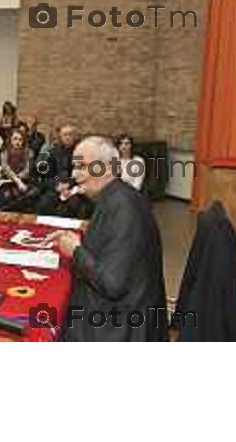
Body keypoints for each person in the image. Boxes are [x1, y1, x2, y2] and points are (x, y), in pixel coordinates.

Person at [49, 136, 168, 342]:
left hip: (118, 326)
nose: (75, 175)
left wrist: (76, 251)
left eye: (82, 166)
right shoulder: (116, 197)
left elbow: (112, 284)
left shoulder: (124, 207)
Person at [0, 129, 36, 212]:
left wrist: (20, 178)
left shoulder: (29, 152)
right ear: (10, 140)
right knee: (5, 195)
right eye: (15, 139)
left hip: (24, 179)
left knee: (30, 193)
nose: (17, 142)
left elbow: (28, 169)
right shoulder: (5, 152)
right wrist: (17, 181)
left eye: (20, 139)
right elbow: (6, 168)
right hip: (7, 179)